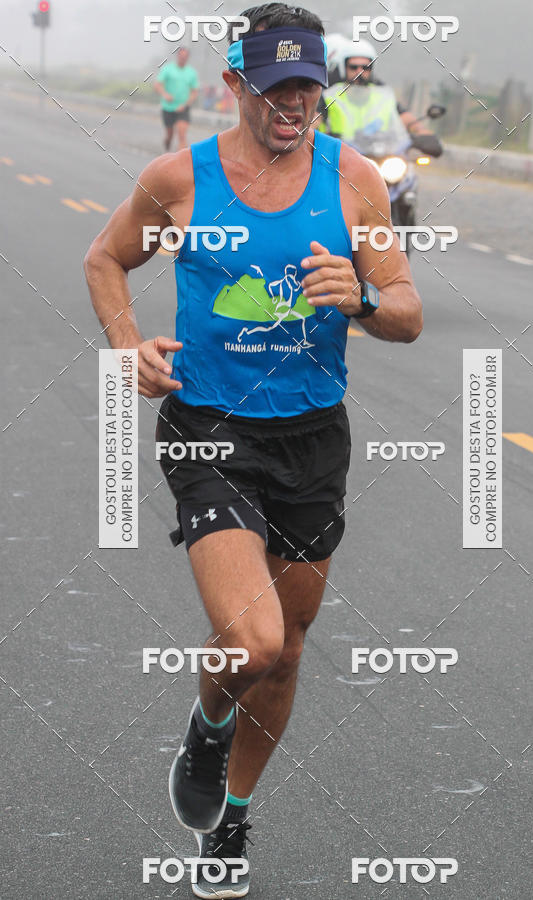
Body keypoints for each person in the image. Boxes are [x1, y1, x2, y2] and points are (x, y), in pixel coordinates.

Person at [84, 4, 422, 897]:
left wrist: (358, 298)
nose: (295, 103)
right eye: (276, 88)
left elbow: (407, 311)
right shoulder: (180, 179)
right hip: (209, 430)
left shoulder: (354, 182)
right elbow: (104, 261)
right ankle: (205, 722)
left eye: (307, 85)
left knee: (291, 647)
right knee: (253, 640)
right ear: (235, 85)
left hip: (314, 436)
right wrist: (128, 347)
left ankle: (230, 820)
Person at [318, 37, 443, 158]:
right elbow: (313, 122)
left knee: (409, 178)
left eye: (366, 68)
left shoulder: (383, 95)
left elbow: (404, 117)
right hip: (340, 158)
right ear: (343, 67)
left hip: (381, 156)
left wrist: (423, 133)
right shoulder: (329, 95)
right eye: (353, 67)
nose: (359, 72)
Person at [154, 47, 199, 151]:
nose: (183, 58)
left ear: (188, 58)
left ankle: (182, 162)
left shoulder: (191, 72)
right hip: (168, 107)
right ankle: (167, 143)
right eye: (181, 56)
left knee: (182, 135)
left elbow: (194, 91)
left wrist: (186, 104)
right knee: (170, 134)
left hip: (183, 107)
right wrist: (165, 94)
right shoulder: (168, 69)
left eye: (185, 57)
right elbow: (157, 84)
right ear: (177, 56)